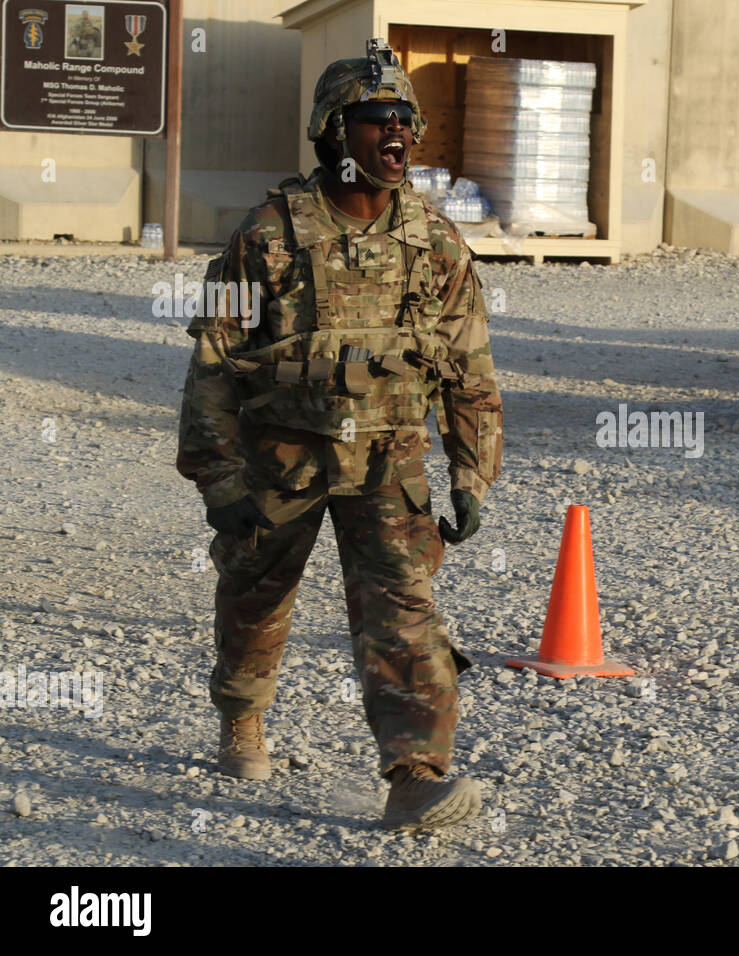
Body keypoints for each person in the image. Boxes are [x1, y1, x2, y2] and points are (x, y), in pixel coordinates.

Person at [176, 38, 502, 832]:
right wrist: (221, 485)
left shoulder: (435, 241)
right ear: (333, 133)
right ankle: (242, 714)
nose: (395, 135)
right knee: (256, 599)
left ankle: (415, 773)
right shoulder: (268, 238)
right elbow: (215, 368)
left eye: (404, 120)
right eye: (373, 120)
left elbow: (469, 369)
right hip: (280, 459)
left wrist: (471, 472)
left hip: (388, 460)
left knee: (405, 612)